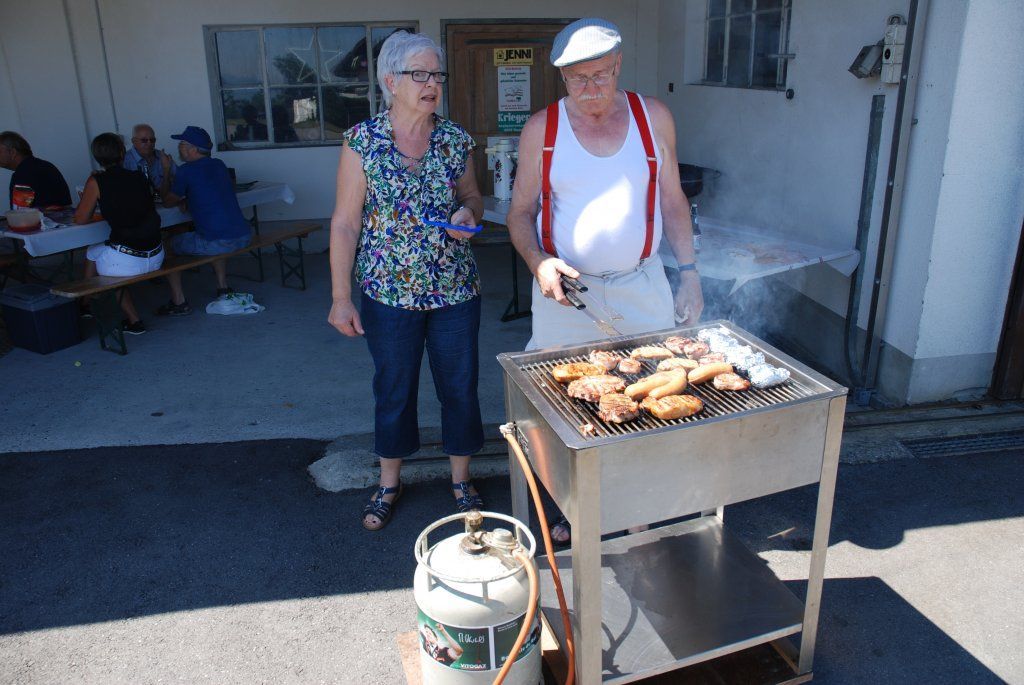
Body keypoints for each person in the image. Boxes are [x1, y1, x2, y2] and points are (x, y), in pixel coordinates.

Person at [506, 18, 705, 543]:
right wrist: (538, 262)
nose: (589, 89)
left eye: (599, 76)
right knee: (556, 403)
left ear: (617, 67)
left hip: (643, 283)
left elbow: (672, 201)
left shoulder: (651, 116)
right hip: (567, 294)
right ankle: (567, 510)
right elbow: (519, 212)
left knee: (653, 395)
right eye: (577, 79)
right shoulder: (541, 130)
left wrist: (689, 273)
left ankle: (634, 513)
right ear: (562, 78)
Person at [328, 31, 486, 531]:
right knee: (394, 388)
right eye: (420, 74)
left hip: (455, 290)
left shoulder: (455, 139)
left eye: (437, 75)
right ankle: (389, 482)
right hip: (388, 294)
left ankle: (461, 481)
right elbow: (345, 223)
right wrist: (339, 297)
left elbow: (475, 199)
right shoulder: (363, 141)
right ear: (390, 80)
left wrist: (467, 212)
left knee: (459, 388)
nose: (432, 84)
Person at [73, 133, 164, 335]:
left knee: (93, 253)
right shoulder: (139, 176)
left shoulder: (96, 181)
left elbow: (80, 218)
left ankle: (93, 306)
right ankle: (86, 303)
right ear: (123, 153)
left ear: (97, 157)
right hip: (157, 254)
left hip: (128, 260)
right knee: (102, 253)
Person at [157, 125, 252, 315]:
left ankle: (179, 301)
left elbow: (167, 201)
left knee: (166, 245)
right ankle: (222, 286)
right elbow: (210, 192)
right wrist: (188, 199)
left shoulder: (186, 171)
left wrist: (166, 170)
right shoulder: (219, 165)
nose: (179, 148)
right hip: (244, 235)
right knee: (211, 233)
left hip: (218, 241)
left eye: (182, 144)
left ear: (193, 149)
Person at [0, 131, 72, 209]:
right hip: (65, 219)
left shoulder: (23, 174)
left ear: (12, 152)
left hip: (43, 221)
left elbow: (20, 214)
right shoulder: (46, 165)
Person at [123, 124, 176, 196]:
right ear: (133, 141)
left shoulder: (162, 156)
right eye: (144, 140)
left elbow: (181, 178)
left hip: (165, 203)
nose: (149, 143)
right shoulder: (125, 161)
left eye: (152, 140)